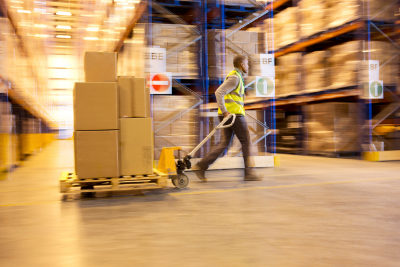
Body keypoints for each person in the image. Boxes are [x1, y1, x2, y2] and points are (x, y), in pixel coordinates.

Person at [192, 55, 263, 181]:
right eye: (246, 64)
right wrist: (225, 111)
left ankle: (201, 166)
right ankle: (249, 172)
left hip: (231, 115)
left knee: (224, 143)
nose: (248, 66)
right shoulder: (235, 78)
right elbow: (219, 92)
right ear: (242, 64)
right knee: (246, 141)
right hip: (233, 115)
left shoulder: (238, 77)